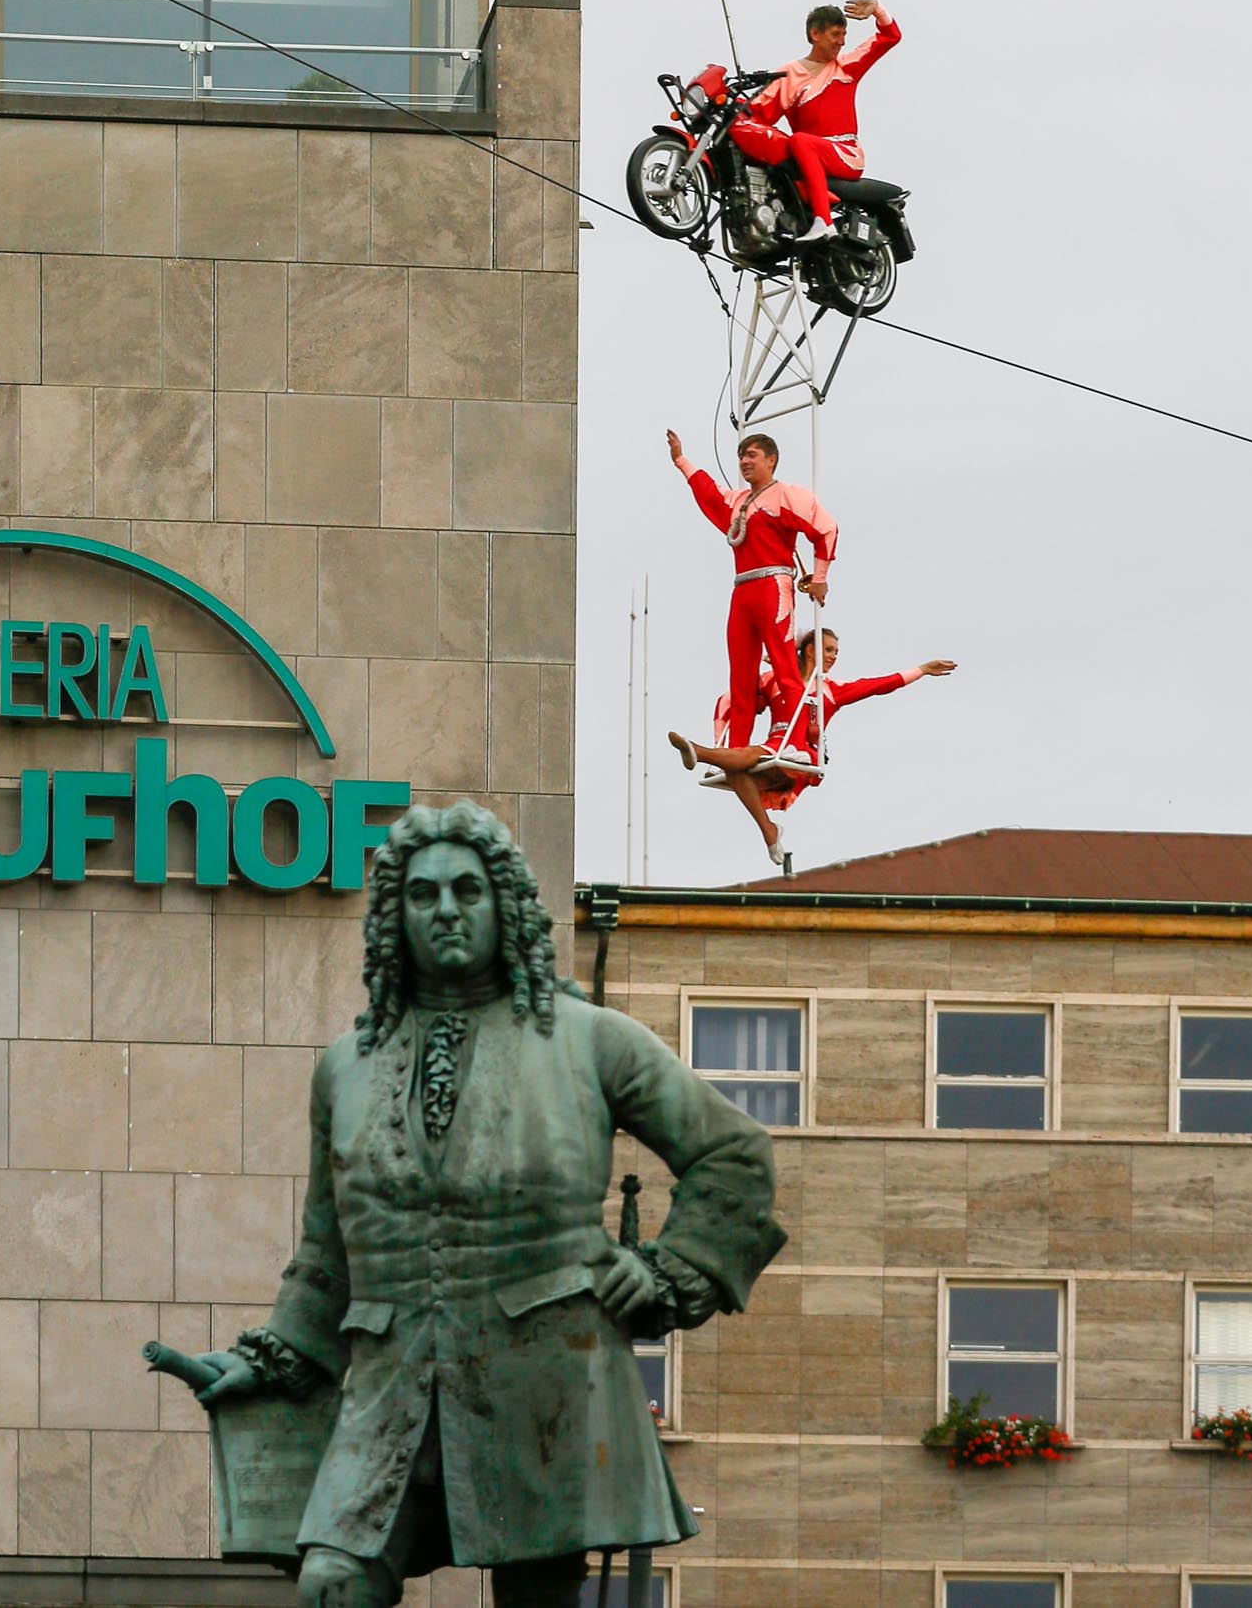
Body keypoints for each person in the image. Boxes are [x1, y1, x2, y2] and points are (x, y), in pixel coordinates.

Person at [150, 802, 785, 1607]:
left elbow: (732, 1153)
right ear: (395, 916)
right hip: (390, 1385)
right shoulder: (344, 1068)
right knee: (331, 1585)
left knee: (536, 1600)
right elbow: (327, 1253)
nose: (445, 910)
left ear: (504, 904)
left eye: (466, 891)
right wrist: (269, 1358)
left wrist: (670, 1270)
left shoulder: (591, 1041)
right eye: (422, 895)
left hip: (552, 1375)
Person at [669, 633, 958, 866]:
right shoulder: (775, 681)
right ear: (810, 650)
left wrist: (921, 670)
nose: (833, 656)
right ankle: (768, 829)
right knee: (737, 769)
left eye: (835, 652)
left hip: (802, 758)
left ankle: (699, 752)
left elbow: (879, 685)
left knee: (748, 757)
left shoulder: (831, 689)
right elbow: (740, 698)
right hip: (773, 750)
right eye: (829, 649)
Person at [668, 425, 835, 750]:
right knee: (741, 676)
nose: (745, 461)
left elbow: (826, 528)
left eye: (752, 455)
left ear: (771, 460)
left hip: (774, 588)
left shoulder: (788, 495)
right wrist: (681, 461)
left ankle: (798, 743)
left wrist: (819, 577)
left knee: (786, 668)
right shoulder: (739, 501)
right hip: (743, 590)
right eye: (742, 456)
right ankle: (737, 750)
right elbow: (710, 494)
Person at [730, 0, 900, 243]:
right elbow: (757, 113)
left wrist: (877, 10)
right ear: (815, 34)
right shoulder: (788, 75)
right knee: (782, 148)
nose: (841, 42)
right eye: (835, 34)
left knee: (799, 141)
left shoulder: (846, 67)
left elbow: (890, 37)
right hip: (808, 156)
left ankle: (824, 222)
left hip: (844, 152)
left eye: (844, 35)